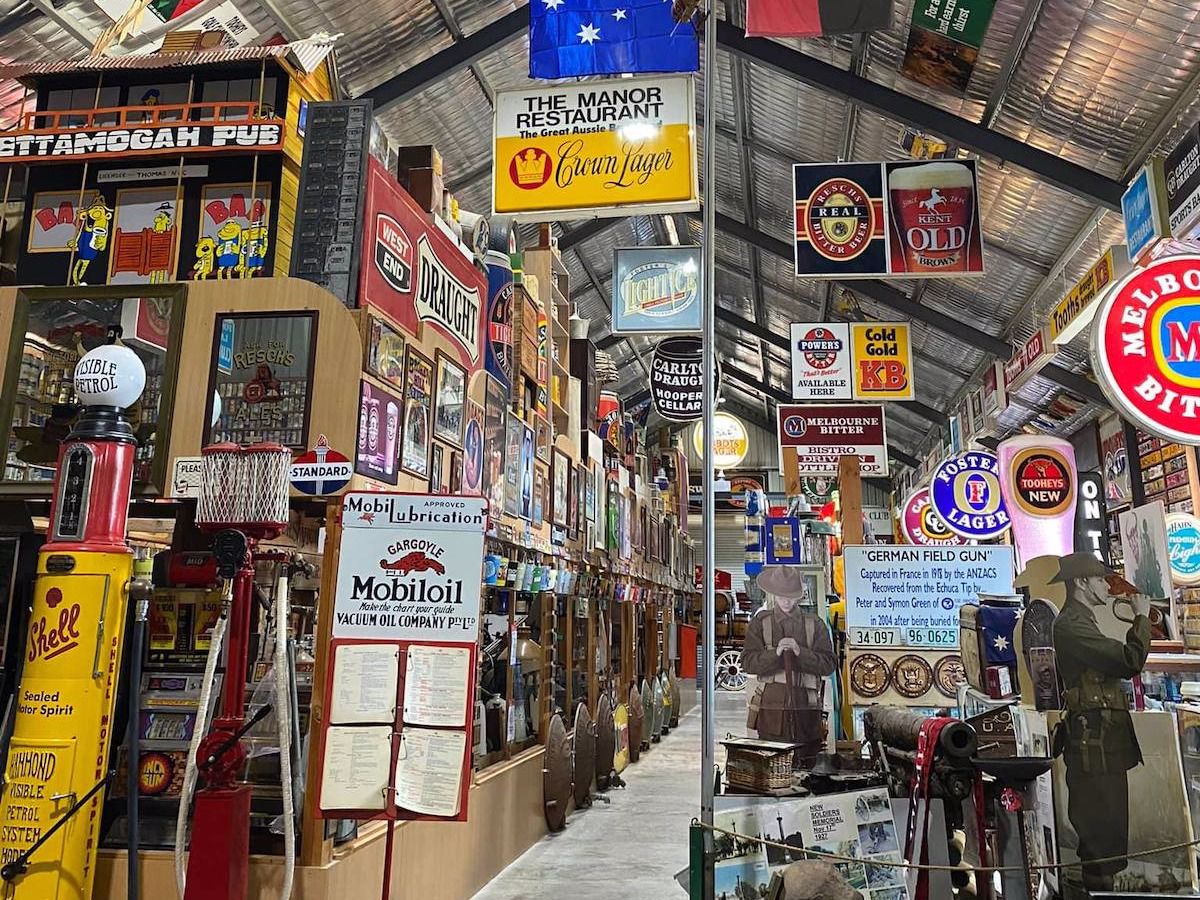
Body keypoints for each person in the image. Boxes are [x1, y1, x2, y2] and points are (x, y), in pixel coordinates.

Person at [1050, 552, 1150, 895]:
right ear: (1080, 582)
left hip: (1101, 741)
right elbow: (1129, 660)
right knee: (1099, 837)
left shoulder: (1081, 621)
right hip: (1094, 744)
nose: (1106, 586)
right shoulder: (1071, 625)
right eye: (1099, 579)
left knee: (1108, 835)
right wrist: (1141, 619)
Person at [741, 566, 836, 766]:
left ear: (799, 596)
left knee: (809, 765)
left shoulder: (814, 624)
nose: (786, 601)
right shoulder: (761, 623)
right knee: (771, 768)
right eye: (782, 595)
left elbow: (829, 664)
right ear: (774, 594)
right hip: (770, 710)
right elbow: (748, 663)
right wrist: (774, 654)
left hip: (807, 710)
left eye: (791, 596)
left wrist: (801, 652)